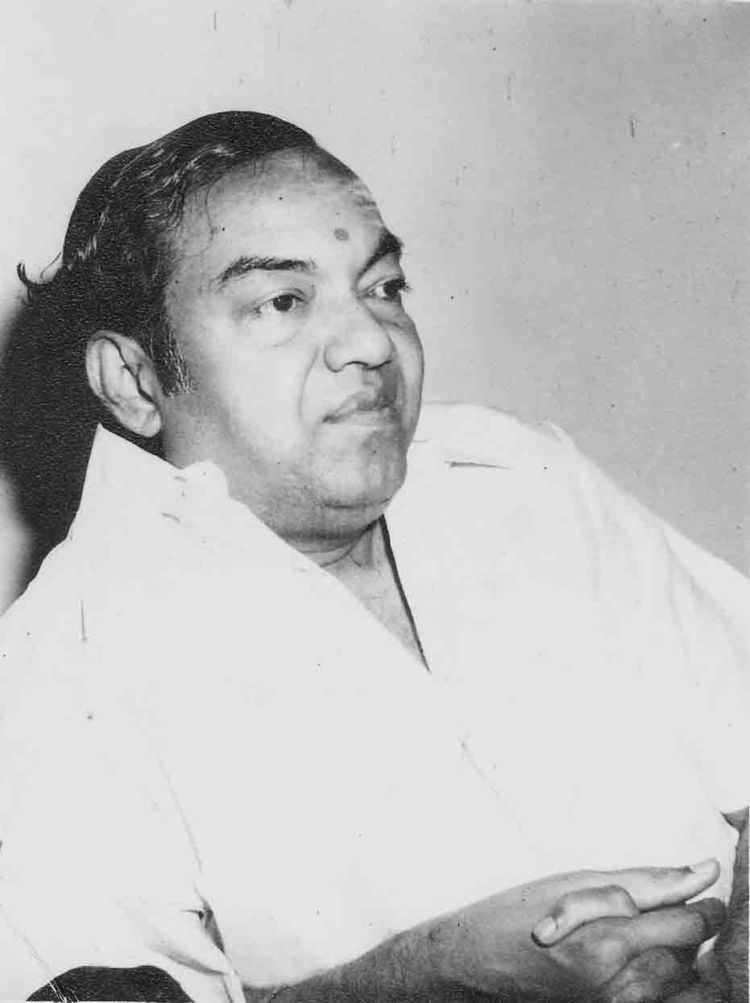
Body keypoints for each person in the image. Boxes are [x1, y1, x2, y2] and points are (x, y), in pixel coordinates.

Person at [0, 111, 746, 1003]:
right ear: (133, 381)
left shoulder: (515, 476)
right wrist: (427, 981)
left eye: (384, 286)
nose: (371, 341)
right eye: (282, 301)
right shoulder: (64, 671)